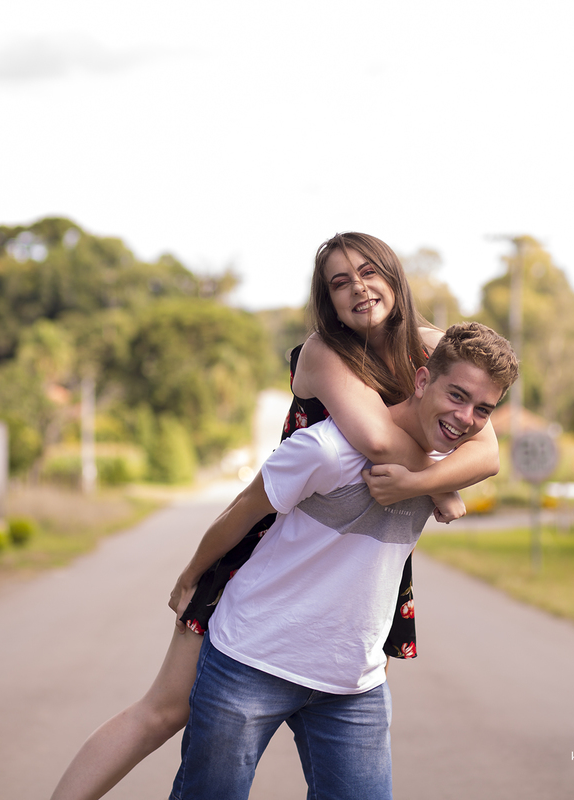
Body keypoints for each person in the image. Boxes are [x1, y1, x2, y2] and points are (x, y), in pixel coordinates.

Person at [50, 233, 501, 800]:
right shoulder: (326, 351)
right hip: (270, 537)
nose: (358, 288)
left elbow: (488, 452)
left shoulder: (434, 349)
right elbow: (379, 441)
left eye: (368, 272)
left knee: (341, 677)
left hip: (357, 548)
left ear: (394, 278)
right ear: (327, 300)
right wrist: (439, 480)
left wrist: (434, 479)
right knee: (164, 710)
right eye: (340, 282)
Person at [169, 321, 519, 800]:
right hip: (250, 662)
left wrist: (437, 485)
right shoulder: (326, 449)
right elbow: (241, 511)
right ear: (422, 381)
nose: (465, 418)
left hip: (353, 688)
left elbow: (480, 460)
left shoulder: (439, 469)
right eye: (456, 395)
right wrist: (191, 574)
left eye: (483, 409)